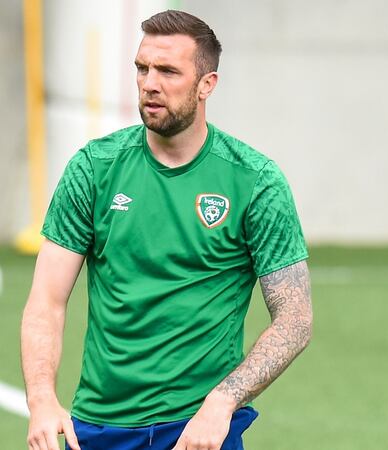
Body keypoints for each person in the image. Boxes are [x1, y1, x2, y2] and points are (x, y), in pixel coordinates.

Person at [21, 10, 312, 450]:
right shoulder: (94, 169)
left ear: (206, 84)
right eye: (142, 68)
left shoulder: (255, 182)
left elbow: (295, 319)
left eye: (168, 71)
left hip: (199, 429)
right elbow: (47, 301)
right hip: (100, 427)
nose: (149, 83)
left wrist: (222, 402)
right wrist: (42, 400)